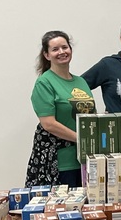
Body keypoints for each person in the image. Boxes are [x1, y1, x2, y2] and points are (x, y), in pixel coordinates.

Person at [27, 30, 95, 186]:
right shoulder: (44, 83)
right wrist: (81, 139)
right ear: (46, 55)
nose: (62, 52)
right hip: (61, 163)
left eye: (65, 47)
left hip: (86, 160)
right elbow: (48, 124)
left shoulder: (81, 82)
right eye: (55, 49)